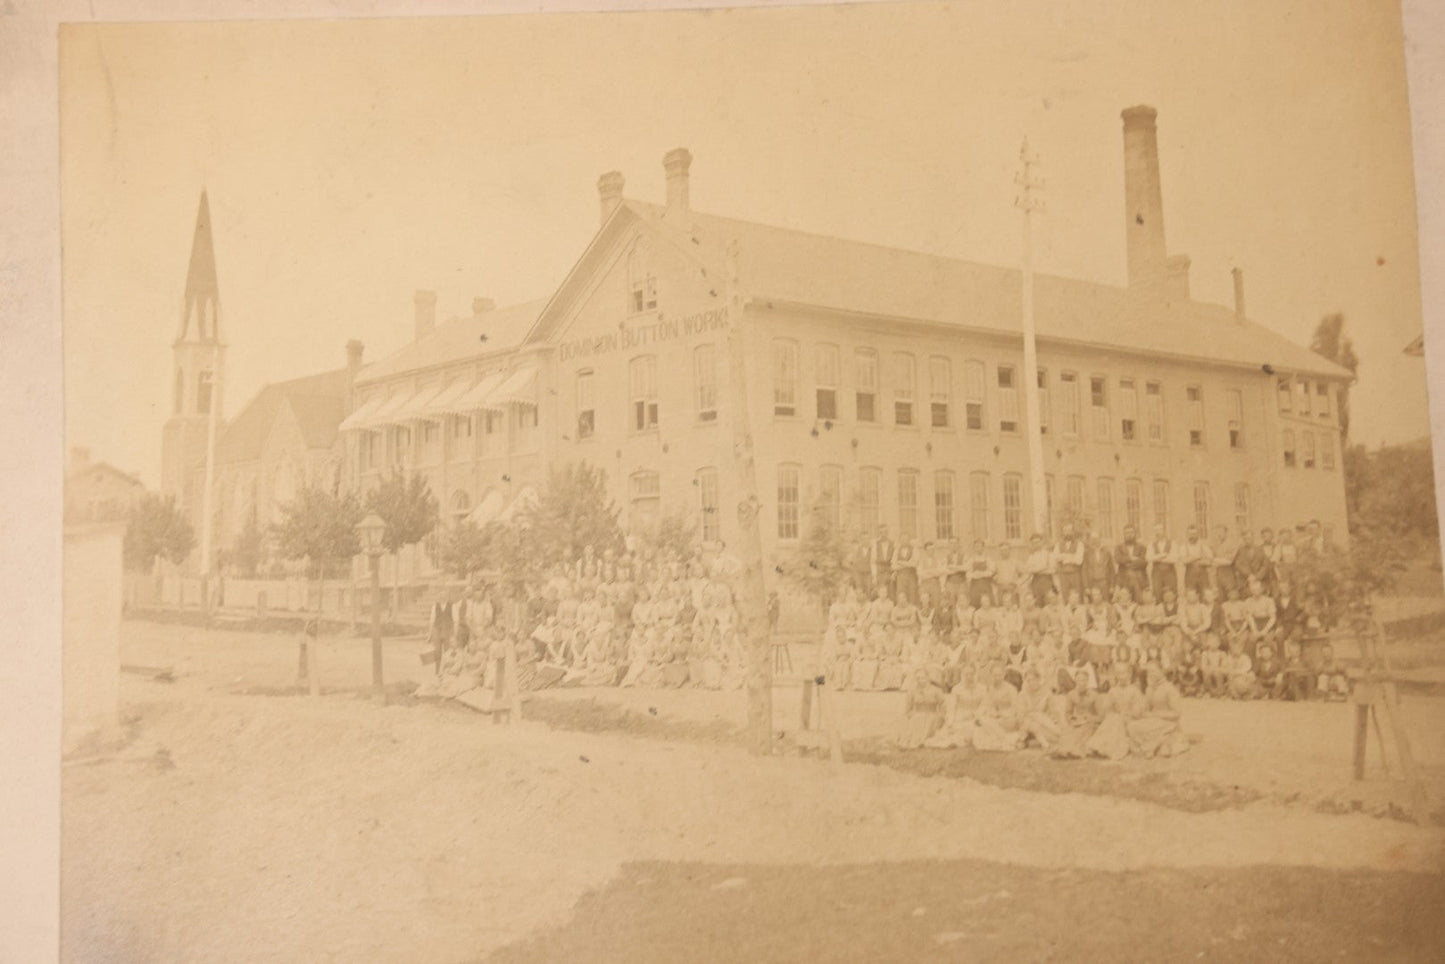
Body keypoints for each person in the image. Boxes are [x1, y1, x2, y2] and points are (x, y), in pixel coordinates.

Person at [1127, 663, 1190, 757]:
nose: (1151, 674)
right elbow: (1147, 707)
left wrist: (1155, 715)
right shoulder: (1149, 688)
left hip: (1168, 722)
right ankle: (1155, 745)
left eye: (1153, 671)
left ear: (1162, 671)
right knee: (1132, 726)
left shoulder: (1170, 689)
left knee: (1143, 728)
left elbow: (1177, 714)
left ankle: (1155, 746)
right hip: (1153, 720)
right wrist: (1138, 709)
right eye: (1149, 672)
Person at [1114, 526, 1149, 602]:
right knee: (1124, 601)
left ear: (1135, 533)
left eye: (1131, 532)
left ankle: (1138, 600)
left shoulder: (1142, 547)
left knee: (1138, 601)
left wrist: (1129, 564)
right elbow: (1118, 559)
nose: (1129, 535)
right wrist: (1131, 558)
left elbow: (1144, 562)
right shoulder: (1119, 547)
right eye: (1127, 533)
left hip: (1139, 577)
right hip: (1123, 578)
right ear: (1124, 535)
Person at [1023, 533, 1057, 606]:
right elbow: (1028, 569)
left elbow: (1052, 569)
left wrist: (1036, 569)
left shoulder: (1048, 554)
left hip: (1047, 581)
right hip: (1035, 581)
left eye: (1038, 542)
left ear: (1042, 542)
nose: (1036, 544)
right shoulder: (1031, 556)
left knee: (1048, 602)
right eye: (1034, 543)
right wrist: (1043, 567)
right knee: (1037, 603)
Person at [1179, 525, 1213, 597]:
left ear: (1198, 535)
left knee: (1206, 595)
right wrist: (1198, 557)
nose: (1192, 536)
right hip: (1190, 576)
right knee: (1191, 596)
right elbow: (1184, 561)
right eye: (1190, 534)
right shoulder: (1183, 547)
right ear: (1187, 535)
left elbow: (1210, 561)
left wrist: (1196, 560)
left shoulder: (1203, 546)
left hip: (1203, 575)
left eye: (1194, 534)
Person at [1147, 524, 1178, 600]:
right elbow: (1148, 558)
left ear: (1164, 531)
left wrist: (1157, 558)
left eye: (1160, 530)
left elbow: (1174, 559)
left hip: (1169, 573)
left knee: (1171, 594)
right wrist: (1163, 555)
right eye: (1156, 530)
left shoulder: (1172, 543)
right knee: (1157, 594)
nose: (1158, 532)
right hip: (1157, 574)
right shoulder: (1151, 544)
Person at [1054, 525, 1085, 601]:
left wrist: (1063, 556)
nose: (1067, 533)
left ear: (1073, 532)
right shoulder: (1058, 544)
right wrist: (1072, 556)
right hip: (1063, 574)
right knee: (1065, 595)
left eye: (1069, 530)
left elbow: (1079, 560)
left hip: (1075, 573)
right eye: (1065, 531)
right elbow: (1056, 558)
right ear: (1063, 532)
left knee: (1078, 594)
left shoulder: (1079, 544)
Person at [963, 539, 996, 607]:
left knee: (987, 604)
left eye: (980, 546)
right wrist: (974, 575)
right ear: (974, 548)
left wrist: (980, 573)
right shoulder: (971, 559)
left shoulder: (988, 558)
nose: (978, 548)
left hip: (985, 585)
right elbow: (967, 573)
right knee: (975, 604)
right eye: (976, 546)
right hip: (975, 586)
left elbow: (991, 572)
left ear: (983, 547)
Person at [1081, 533, 1116, 599]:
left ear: (1100, 539)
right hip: (1092, 583)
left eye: (1096, 539)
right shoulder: (1087, 553)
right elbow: (1084, 570)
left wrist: (1112, 586)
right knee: (1094, 602)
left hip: (1105, 582)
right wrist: (1086, 587)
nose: (1094, 541)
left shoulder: (1107, 552)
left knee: (1106, 602)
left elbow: (1112, 570)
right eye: (1093, 539)